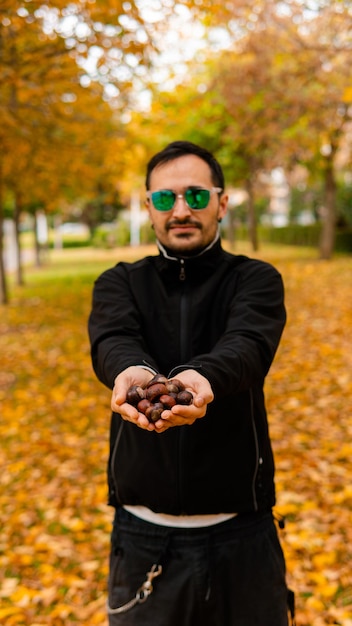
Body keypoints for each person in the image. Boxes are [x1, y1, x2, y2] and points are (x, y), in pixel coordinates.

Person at [88, 140, 293, 626]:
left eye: (196, 196)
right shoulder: (118, 283)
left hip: (242, 537)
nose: (181, 210)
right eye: (165, 198)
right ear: (149, 207)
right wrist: (130, 373)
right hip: (143, 539)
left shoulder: (256, 279)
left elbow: (246, 346)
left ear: (222, 203)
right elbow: (113, 339)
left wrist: (198, 378)